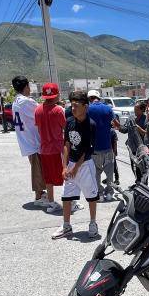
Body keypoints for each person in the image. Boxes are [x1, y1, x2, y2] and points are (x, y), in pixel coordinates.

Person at [53, 91, 99, 239]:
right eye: (71, 106)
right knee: (66, 196)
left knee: (91, 196)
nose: (73, 109)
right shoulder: (69, 122)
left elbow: (87, 150)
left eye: (76, 106)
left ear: (85, 107)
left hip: (85, 165)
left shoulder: (90, 125)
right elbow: (66, 144)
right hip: (71, 164)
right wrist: (64, 167)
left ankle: (93, 224)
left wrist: (76, 168)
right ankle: (66, 226)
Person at [11, 75, 47, 207]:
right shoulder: (26, 101)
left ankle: (41, 193)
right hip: (33, 141)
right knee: (38, 170)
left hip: (26, 140)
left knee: (37, 168)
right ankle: (39, 196)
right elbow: (42, 112)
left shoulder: (16, 101)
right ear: (26, 86)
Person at [34, 83, 66, 213]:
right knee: (65, 175)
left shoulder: (37, 110)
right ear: (57, 95)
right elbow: (65, 127)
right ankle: (71, 201)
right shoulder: (59, 110)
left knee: (49, 178)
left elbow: (37, 128)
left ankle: (51, 203)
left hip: (44, 149)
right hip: (58, 148)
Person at [87, 89, 117, 201]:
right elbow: (114, 123)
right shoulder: (108, 108)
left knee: (96, 173)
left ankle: (99, 194)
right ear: (98, 97)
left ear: (90, 98)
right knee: (109, 172)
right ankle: (109, 193)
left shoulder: (88, 109)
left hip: (94, 148)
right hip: (107, 146)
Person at [118, 101, 148, 181]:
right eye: (134, 109)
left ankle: (144, 185)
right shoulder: (130, 118)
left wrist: (138, 128)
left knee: (143, 168)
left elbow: (147, 134)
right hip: (132, 148)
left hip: (142, 149)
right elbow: (125, 130)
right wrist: (118, 126)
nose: (135, 111)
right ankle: (138, 183)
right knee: (134, 167)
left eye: (137, 110)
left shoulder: (146, 119)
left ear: (142, 110)